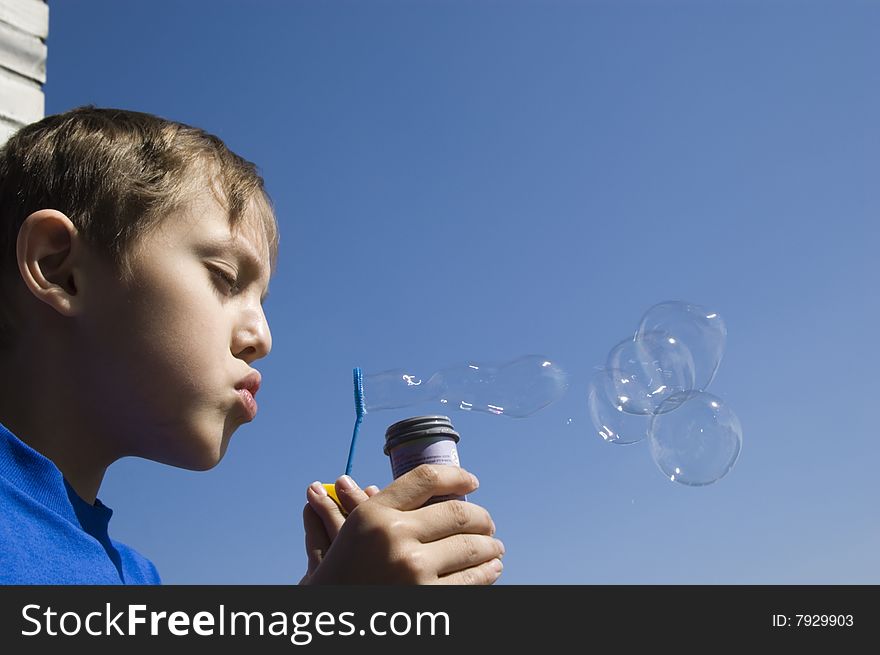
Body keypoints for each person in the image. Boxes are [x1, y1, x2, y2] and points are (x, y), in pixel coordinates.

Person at [0, 106, 504, 585]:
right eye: (224, 277)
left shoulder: (136, 576)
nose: (261, 338)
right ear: (60, 268)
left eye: (261, 300)